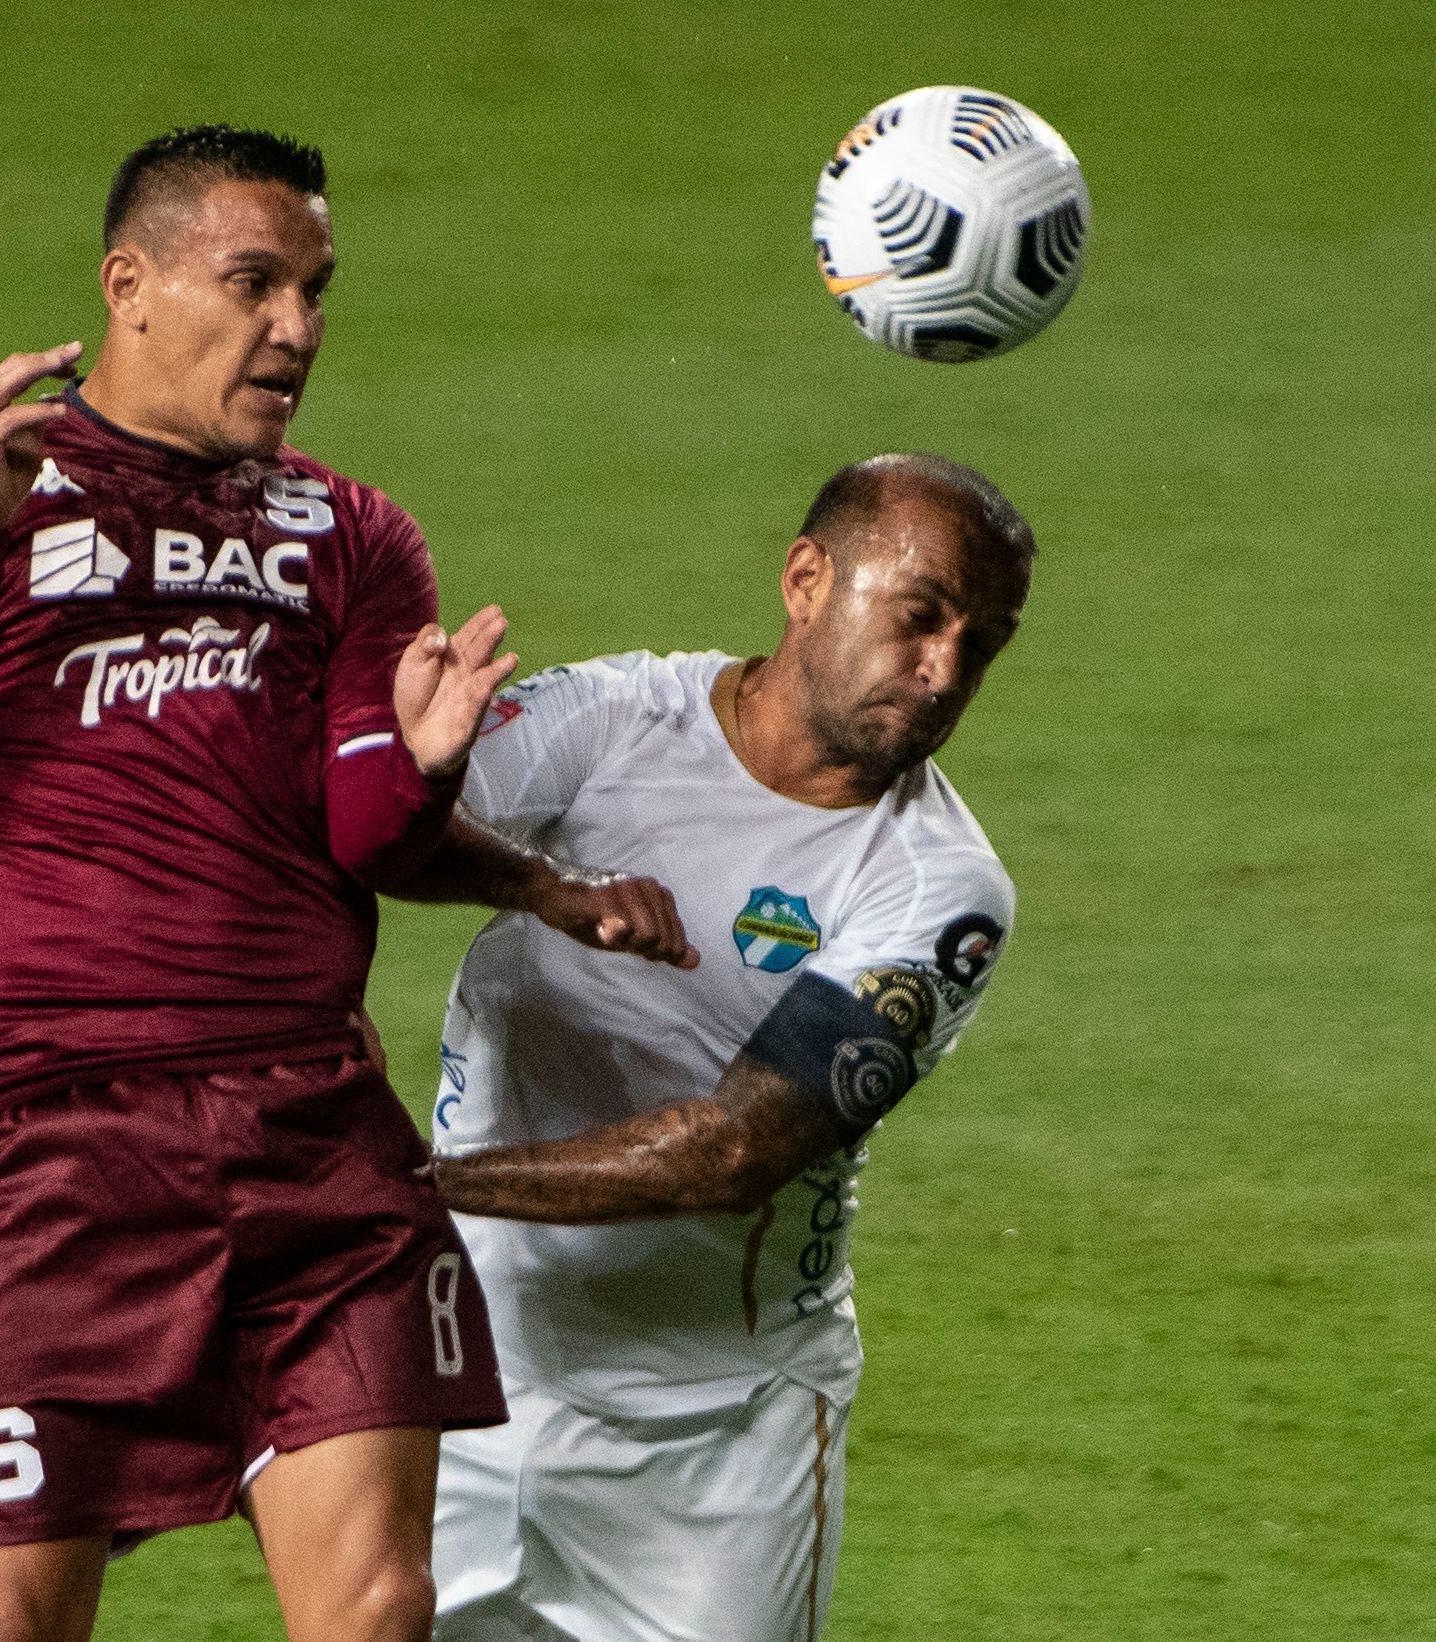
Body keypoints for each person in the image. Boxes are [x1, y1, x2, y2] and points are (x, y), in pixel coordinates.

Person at [0, 126, 682, 1642]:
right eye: (254, 282)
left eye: (316, 289)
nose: (297, 329)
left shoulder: (348, 533)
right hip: (48, 1143)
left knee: (379, 1605)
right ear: (127, 287)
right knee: (9, 1614)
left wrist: (424, 766)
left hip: (306, 1137)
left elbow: (362, 832)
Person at [419, 453, 1034, 1642]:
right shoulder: (610, 718)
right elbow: (360, 838)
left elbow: (732, 1152)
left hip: (713, 1438)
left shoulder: (940, 885)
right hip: (456, 1374)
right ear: (807, 579)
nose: (945, 669)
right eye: (920, 616)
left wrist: (410, 1190)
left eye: (982, 641)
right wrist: (533, 880)